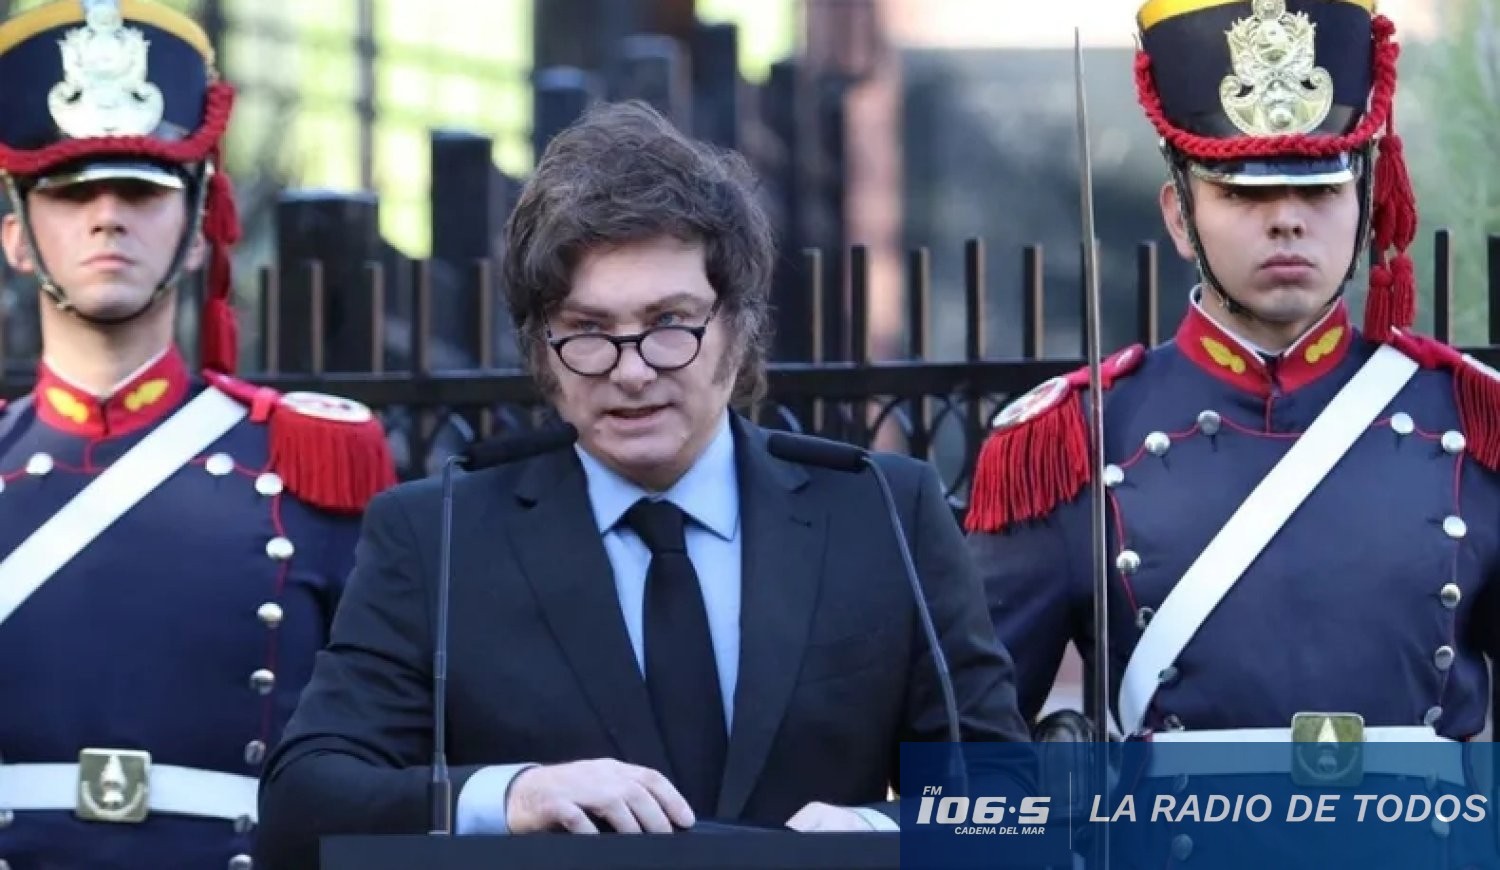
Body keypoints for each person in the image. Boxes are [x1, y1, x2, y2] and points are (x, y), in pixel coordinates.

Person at [254, 99, 1031, 867]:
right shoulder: (440, 535)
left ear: (737, 327)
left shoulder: (882, 513)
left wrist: (878, 834)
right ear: (541, 349)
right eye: (588, 331)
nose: (630, 372)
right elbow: (302, 806)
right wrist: (511, 796)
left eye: (669, 323)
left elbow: (1012, 806)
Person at [968, 0, 1500, 863]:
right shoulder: (1073, 442)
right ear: (1180, 217)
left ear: (1367, 201)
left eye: (1319, 188)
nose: (1286, 218)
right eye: (1243, 191)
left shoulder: (1471, 422)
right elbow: (970, 764)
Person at [0, 1, 398, 868]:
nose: (108, 217)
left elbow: (386, 747)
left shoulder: (308, 461)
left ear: (195, 235)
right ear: (17, 239)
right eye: (71, 193)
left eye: (144, 192)